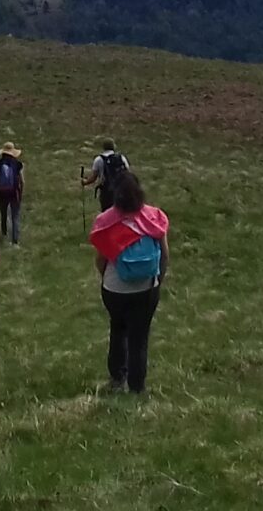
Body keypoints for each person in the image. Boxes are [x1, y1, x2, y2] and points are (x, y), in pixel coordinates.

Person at [87, 168, 169, 395]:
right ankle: (137, 387)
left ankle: (117, 378)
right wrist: (158, 280)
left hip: (114, 289)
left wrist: (106, 279)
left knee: (117, 329)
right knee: (139, 338)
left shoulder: (105, 221)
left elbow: (101, 259)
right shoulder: (155, 218)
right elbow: (165, 255)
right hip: (146, 288)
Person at [81, 139, 128, 212]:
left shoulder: (99, 159)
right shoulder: (121, 157)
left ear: (103, 147)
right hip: (120, 189)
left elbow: (93, 178)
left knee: (106, 212)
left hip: (106, 190)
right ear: (114, 146)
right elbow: (127, 173)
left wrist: (85, 182)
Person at [0, 142, 26, 246]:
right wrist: (21, 192)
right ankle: (15, 240)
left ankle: (4, 235)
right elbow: (22, 181)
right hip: (14, 193)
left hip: (2, 192)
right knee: (15, 216)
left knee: (3, 214)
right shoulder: (18, 164)